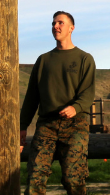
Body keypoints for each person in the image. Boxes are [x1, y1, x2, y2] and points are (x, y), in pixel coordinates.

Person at [20, 11, 96, 195]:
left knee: (73, 178)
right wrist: (22, 127)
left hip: (75, 124)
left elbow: (88, 93)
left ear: (72, 28)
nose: (56, 26)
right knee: (35, 177)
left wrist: (75, 108)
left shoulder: (84, 59)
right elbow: (32, 97)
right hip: (47, 124)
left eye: (60, 23)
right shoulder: (43, 60)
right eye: (53, 23)